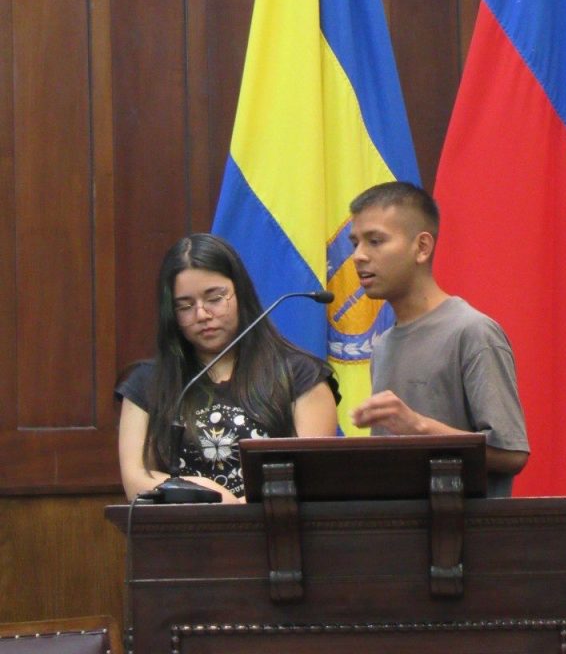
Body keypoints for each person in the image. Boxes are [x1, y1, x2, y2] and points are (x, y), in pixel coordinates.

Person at [116, 233, 339, 503]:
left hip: (277, 524)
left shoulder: (301, 375)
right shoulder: (147, 383)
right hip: (183, 528)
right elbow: (136, 480)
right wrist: (208, 492)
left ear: (241, 294)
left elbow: (310, 477)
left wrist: (235, 510)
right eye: (185, 306)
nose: (201, 315)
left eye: (215, 298)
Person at [349, 182, 528, 496]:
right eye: (355, 243)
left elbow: (511, 455)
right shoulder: (383, 345)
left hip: (461, 524)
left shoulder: (472, 331)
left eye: (375, 241)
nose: (358, 256)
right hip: (399, 523)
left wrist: (418, 427)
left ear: (422, 247)